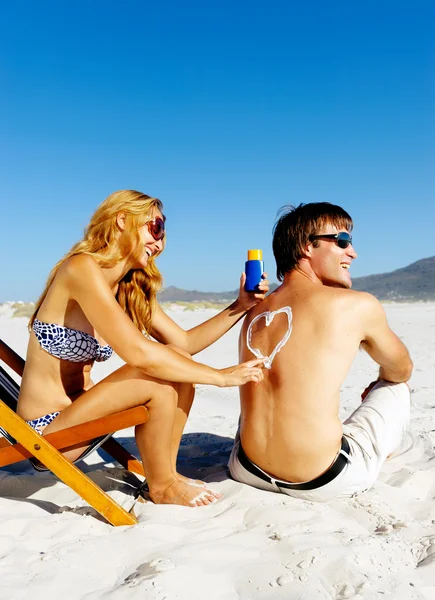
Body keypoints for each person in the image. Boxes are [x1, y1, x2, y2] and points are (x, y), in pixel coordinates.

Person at [18, 190, 268, 507]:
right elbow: (138, 355)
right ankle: (162, 485)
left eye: (163, 234)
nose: (159, 243)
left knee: (174, 359)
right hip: (46, 432)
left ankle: (167, 476)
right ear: (123, 220)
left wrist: (239, 306)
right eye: (156, 228)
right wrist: (220, 377)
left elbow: (185, 344)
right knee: (154, 375)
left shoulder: (126, 287)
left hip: (80, 416)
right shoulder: (80, 269)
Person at [229, 202, 413, 502]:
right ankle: (386, 450)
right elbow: (402, 368)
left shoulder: (252, 310)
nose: (352, 252)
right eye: (342, 241)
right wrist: (381, 379)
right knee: (397, 387)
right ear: (306, 247)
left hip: (246, 468)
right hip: (323, 479)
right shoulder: (355, 304)